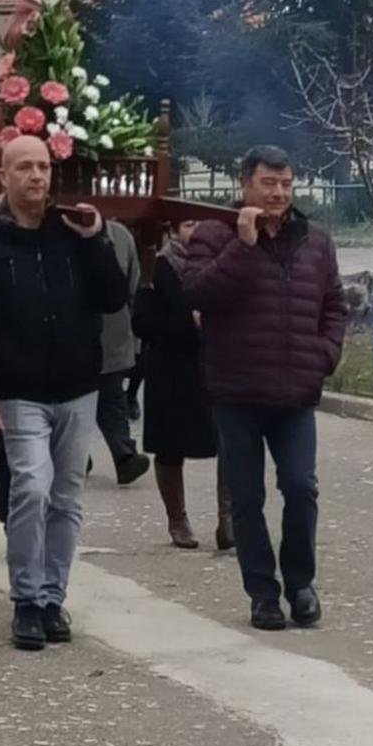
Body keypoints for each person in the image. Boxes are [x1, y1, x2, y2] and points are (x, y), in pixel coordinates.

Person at [0, 135, 128, 651]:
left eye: (43, 167)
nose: (36, 177)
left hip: (76, 386)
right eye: (24, 167)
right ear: (3, 176)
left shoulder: (72, 233)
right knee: (31, 487)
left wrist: (96, 240)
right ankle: (26, 598)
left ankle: (52, 598)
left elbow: (113, 298)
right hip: (18, 389)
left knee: (67, 497)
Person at [182, 145, 345, 632]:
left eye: (286, 184)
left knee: (300, 487)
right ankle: (262, 593)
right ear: (244, 184)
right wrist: (243, 246)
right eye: (268, 183)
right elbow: (197, 294)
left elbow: (334, 305)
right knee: (246, 498)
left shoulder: (315, 240)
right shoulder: (214, 234)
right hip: (237, 390)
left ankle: (301, 584)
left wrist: (324, 356)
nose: (278, 193)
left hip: (296, 392)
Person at [134, 222, 231, 551]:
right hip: (171, 366)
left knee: (230, 438)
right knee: (171, 445)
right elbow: (142, 321)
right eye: (190, 224)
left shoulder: (221, 259)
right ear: (174, 230)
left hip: (217, 362)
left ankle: (228, 519)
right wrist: (186, 324)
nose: (198, 230)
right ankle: (178, 519)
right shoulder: (158, 263)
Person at [96, 218, 150, 486]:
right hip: (68, 339)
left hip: (112, 335)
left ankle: (125, 456)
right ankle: (75, 454)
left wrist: (134, 332)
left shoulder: (120, 235)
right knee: (73, 404)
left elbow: (133, 286)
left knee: (112, 399)